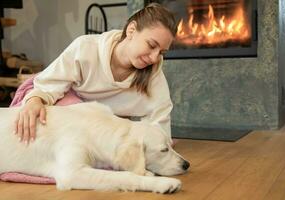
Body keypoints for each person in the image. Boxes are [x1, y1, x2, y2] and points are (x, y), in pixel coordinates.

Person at [14, 3, 178, 145]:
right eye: (151, 45)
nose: (155, 58)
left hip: (107, 126)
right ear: (131, 30)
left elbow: (160, 121)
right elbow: (48, 85)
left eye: (162, 52)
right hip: (74, 107)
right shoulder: (85, 48)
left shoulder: (153, 75)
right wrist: (34, 100)